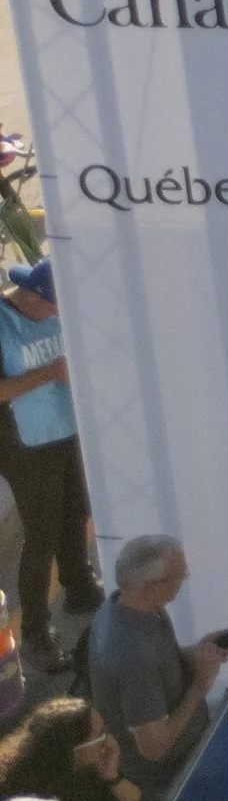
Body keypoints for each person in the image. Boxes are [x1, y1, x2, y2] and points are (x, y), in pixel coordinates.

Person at [84, 539, 228, 801]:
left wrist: (196, 655)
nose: (185, 578)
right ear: (152, 586)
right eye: (178, 576)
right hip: (170, 778)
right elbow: (154, 748)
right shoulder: (132, 654)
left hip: (178, 760)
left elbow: (162, 663)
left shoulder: (132, 608)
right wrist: (200, 685)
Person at [0, 262, 102, 673]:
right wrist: (49, 373)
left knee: (76, 512)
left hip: (65, 430)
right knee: (41, 536)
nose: (59, 317)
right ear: (32, 296)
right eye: (54, 309)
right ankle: (37, 637)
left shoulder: (55, 308)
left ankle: (77, 584)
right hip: (25, 445)